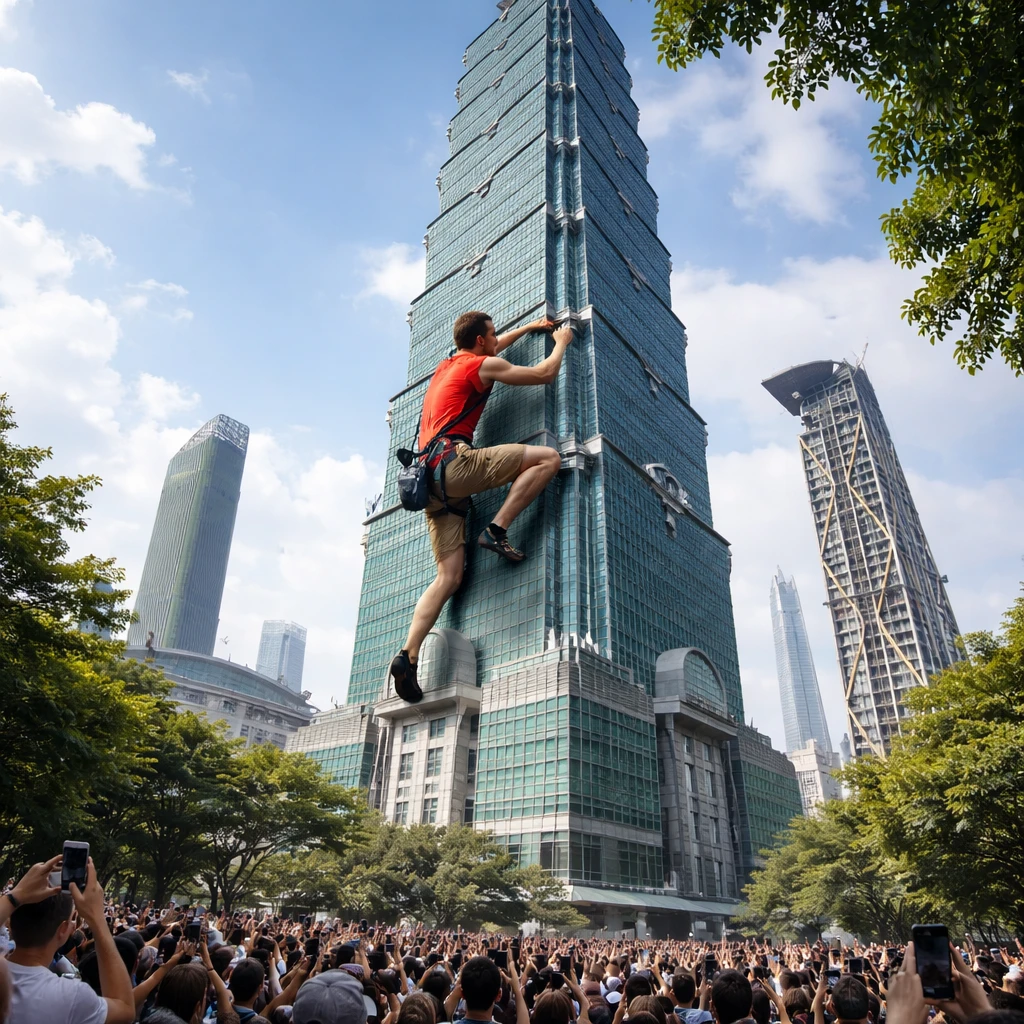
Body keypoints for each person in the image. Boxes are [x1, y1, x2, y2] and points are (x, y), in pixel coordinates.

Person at [390, 311, 573, 702]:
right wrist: (560, 343)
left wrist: (526, 328)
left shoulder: (448, 365)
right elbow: (543, 374)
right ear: (478, 342)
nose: (496, 338)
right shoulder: (481, 363)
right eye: (492, 334)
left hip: (430, 483)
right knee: (548, 459)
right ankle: (497, 529)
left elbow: (492, 350)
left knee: (448, 576)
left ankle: (408, 654)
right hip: (456, 464)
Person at [0, 854, 135, 1024]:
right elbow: (125, 1008)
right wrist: (97, 920)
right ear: (63, 930)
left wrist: (15, 896)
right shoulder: (72, 996)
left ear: (9, 921)